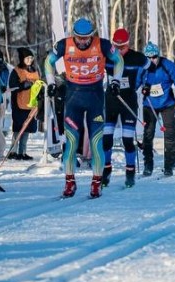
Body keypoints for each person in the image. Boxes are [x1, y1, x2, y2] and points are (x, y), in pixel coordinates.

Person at [45, 18, 124, 198]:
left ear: (92, 35)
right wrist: (51, 82)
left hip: (95, 98)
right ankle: (69, 182)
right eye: (79, 38)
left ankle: (96, 183)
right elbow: (48, 61)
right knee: (71, 143)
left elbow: (118, 60)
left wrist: (116, 81)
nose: (83, 41)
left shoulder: (102, 44)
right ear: (74, 35)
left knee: (96, 144)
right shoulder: (64, 45)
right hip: (73, 98)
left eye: (87, 38)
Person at [101, 28, 146, 187]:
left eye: (123, 47)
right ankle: (106, 172)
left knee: (127, 140)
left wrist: (145, 85)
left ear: (128, 44)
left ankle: (130, 173)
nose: (119, 51)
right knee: (106, 139)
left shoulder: (137, 57)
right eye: (116, 47)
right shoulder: (107, 57)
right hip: (111, 100)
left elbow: (150, 70)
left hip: (128, 102)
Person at [138, 42, 175, 177]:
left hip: (167, 104)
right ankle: (148, 164)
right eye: (148, 58)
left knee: (169, 136)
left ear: (158, 56)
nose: (152, 60)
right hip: (149, 105)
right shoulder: (143, 68)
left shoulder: (168, 65)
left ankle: (169, 165)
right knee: (148, 135)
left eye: (154, 57)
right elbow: (134, 84)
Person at [8, 47, 42, 161]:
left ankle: (22, 152)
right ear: (22, 58)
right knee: (18, 129)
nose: (30, 60)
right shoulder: (16, 71)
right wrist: (23, 85)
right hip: (19, 104)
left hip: (31, 104)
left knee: (27, 129)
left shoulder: (34, 70)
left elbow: (39, 83)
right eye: (27, 58)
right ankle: (13, 152)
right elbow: (12, 86)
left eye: (31, 57)